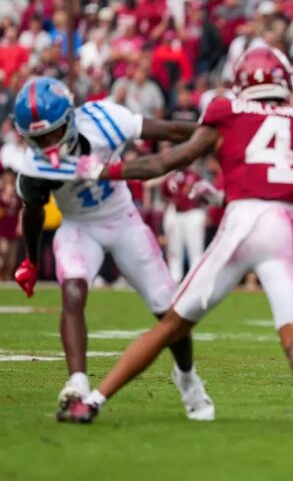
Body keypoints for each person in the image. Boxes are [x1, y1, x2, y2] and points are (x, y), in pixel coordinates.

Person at [60, 47, 293, 430]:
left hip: (240, 222)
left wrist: (105, 170)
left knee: (171, 325)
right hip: (282, 225)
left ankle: (94, 400)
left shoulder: (226, 111)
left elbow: (164, 162)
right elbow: (277, 171)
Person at [12, 76, 213, 420]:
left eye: (52, 133)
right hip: (78, 225)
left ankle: (188, 378)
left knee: (168, 310)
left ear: (69, 119)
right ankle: (77, 383)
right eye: (38, 138)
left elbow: (166, 130)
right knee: (72, 292)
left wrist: (212, 133)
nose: (46, 144)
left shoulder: (104, 120)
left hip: (122, 219)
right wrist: (30, 259)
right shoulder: (34, 167)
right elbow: (32, 213)